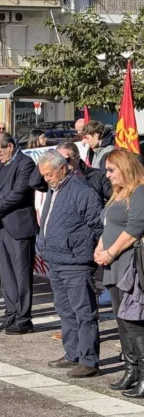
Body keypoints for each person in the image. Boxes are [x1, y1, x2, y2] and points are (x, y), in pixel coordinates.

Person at [31, 150, 103, 378]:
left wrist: (84, 249)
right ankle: (72, 354)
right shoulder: (55, 189)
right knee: (65, 311)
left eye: (49, 174)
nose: (46, 179)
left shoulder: (83, 191)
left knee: (84, 312)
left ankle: (89, 360)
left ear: (63, 168)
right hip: (56, 260)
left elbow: (98, 227)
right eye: (43, 175)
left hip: (76, 262)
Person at [95, 150, 144, 395]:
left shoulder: (139, 192)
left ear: (125, 168)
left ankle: (143, 374)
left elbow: (135, 227)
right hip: (113, 266)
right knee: (121, 322)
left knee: (133, 321)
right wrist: (100, 248)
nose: (108, 175)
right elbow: (109, 225)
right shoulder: (117, 194)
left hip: (129, 265)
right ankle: (131, 370)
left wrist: (111, 251)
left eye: (112, 170)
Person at [0, 132, 39, 335]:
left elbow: (18, 193)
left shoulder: (25, 164)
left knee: (22, 275)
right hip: (1, 225)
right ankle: (11, 314)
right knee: (7, 274)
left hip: (19, 227)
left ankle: (24, 318)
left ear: (10, 147)